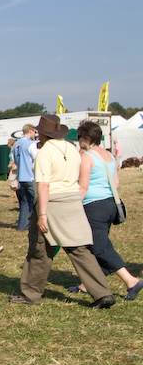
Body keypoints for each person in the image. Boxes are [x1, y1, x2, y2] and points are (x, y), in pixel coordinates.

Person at [9, 115, 115, 309]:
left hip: (52, 203)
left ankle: (31, 294)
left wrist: (42, 215)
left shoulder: (45, 153)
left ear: (42, 133)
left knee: (39, 250)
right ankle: (103, 293)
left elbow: (43, 185)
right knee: (80, 249)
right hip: (73, 201)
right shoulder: (72, 149)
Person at [68, 121, 142, 300]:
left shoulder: (87, 157)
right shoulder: (107, 155)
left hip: (94, 206)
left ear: (86, 138)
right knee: (98, 245)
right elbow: (116, 183)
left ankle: (131, 281)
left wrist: (71, 207)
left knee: (100, 248)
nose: (78, 142)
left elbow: (83, 187)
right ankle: (87, 284)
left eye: (79, 138)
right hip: (110, 204)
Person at [12, 124, 38, 230]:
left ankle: (22, 226)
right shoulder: (30, 144)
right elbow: (37, 158)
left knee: (25, 203)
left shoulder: (16, 144)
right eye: (34, 132)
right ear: (31, 131)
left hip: (21, 177)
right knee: (38, 201)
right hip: (30, 176)